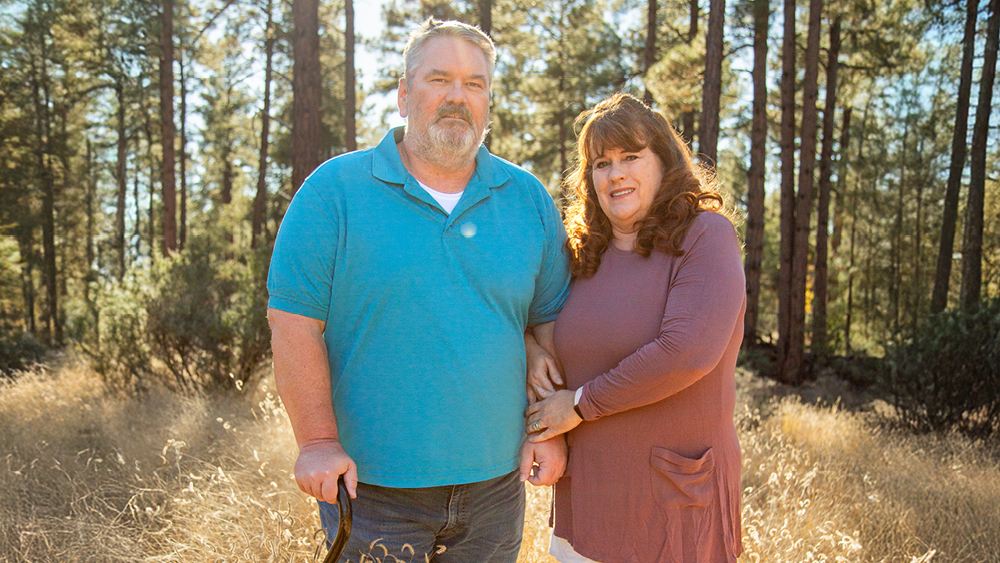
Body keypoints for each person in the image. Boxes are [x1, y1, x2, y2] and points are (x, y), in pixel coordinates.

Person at [266, 19, 570, 563]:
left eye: (475, 84)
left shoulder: (528, 199)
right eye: (439, 79)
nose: (458, 96)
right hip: (370, 491)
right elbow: (293, 325)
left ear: (489, 102)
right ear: (405, 94)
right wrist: (317, 442)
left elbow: (546, 326)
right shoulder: (334, 192)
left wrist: (547, 430)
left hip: (496, 489)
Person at [523, 93, 746, 563]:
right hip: (589, 500)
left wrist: (580, 405)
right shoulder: (582, 254)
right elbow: (532, 317)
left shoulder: (705, 236)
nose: (616, 173)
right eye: (601, 163)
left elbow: (687, 351)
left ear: (663, 161)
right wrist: (531, 348)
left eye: (630, 156)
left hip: (672, 506)